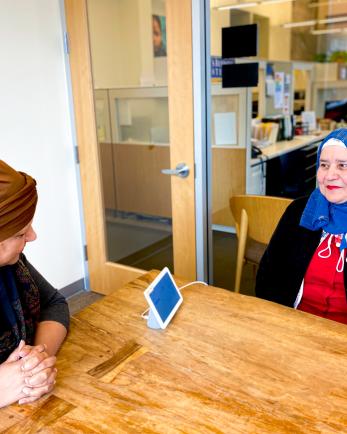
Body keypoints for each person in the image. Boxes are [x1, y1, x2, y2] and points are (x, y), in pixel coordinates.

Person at [256, 128, 347, 325]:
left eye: (342, 166)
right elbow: (267, 276)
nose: (330, 175)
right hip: (295, 326)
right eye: (324, 165)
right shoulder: (299, 211)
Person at [0, 160, 69, 408]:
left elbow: (54, 303)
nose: (33, 236)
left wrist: (38, 359)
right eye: (20, 233)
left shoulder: (14, 265)